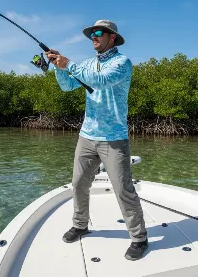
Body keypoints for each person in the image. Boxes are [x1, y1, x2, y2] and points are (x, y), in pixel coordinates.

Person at [46, 20, 148, 261]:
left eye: (98, 33)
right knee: (79, 183)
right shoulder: (88, 64)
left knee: (123, 190)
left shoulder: (122, 63)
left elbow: (99, 81)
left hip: (113, 138)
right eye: (92, 33)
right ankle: (81, 225)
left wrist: (69, 63)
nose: (94, 36)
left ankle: (139, 237)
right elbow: (67, 86)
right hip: (86, 135)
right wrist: (60, 68)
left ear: (112, 37)